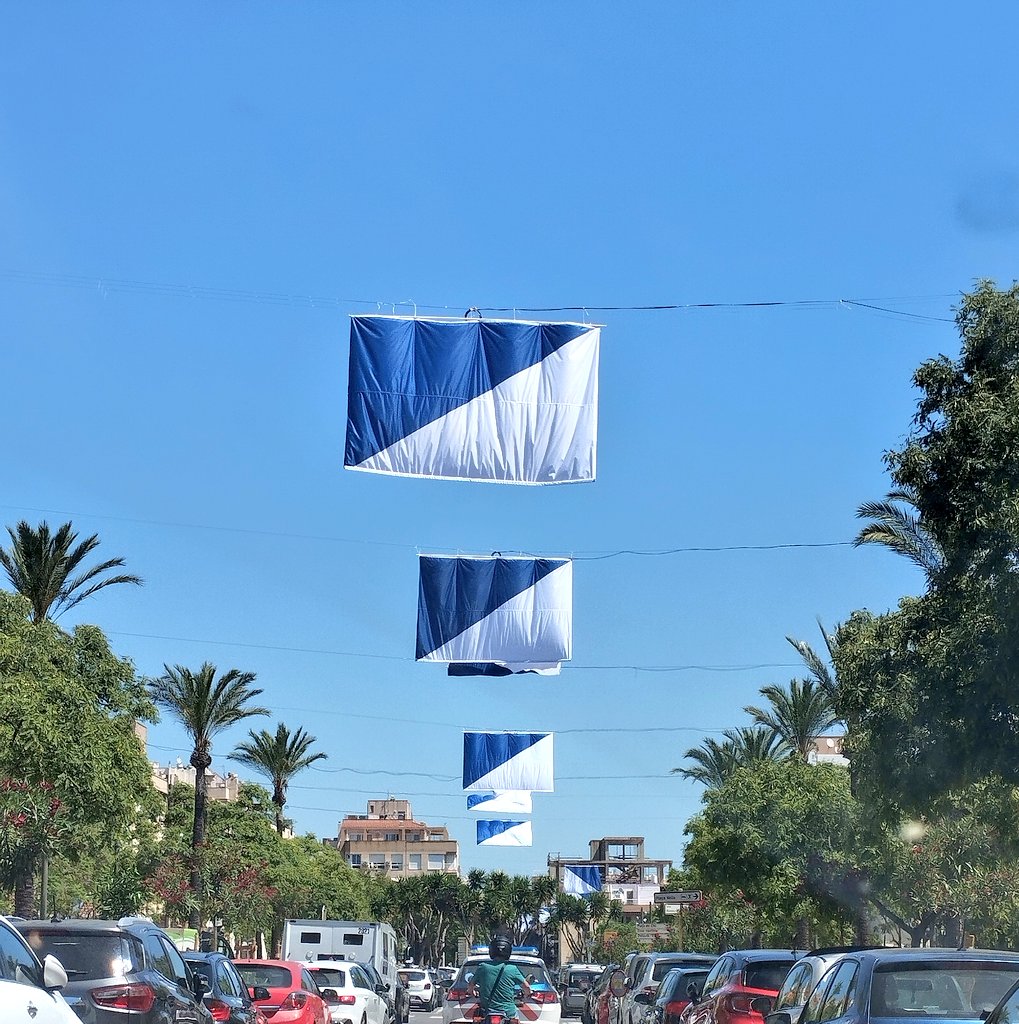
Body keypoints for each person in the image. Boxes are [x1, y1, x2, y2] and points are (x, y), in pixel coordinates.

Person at [468, 936, 532, 1021]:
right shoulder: (512, 969)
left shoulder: (483, 967)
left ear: (491, 950)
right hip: (508, 1012)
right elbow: (526, 986)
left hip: (486, 1011)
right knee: (515, 1020)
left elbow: (471, 985)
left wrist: (472, 992)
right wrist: (527, 994)